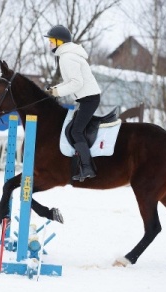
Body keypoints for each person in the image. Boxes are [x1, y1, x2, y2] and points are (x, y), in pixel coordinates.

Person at [44, 25, 101, 182]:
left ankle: (88, 168)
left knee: (76, 131)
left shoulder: (67, 57)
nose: (49, 44)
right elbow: (69, 82)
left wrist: (56, 92)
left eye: (51, 41)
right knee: (72, 130)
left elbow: (76, 83)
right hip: (87, 98)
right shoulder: (67, 55)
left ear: (59, 41)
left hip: (89, 99)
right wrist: (54, 90)